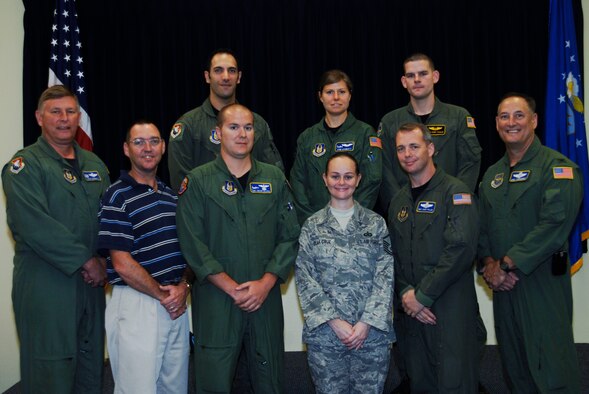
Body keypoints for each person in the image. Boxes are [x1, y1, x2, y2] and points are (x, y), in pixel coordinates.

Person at [176, 103, 300, 393]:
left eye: (248, 127)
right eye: (234, 127)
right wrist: (232, 288)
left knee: (269, 381)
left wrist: (266, 283)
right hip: (217, 301)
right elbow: (192, 243)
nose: (242, 134)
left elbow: (290, 236)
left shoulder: (274, 179)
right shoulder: (197, 182)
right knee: (214, 381)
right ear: (218, 133)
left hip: (264, 300)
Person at [2, 85, 110, 393]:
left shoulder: (95, 165)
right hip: (47, 287)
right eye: (55, 112)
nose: (64, 119)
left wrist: (107, 258)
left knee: (90, 371)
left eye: (70, 111)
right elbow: (32, 224)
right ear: (39, 117)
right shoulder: (25, 166)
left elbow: (109, 218)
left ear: (79, 116)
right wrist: (86, 260)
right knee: (51, 373)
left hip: (91, 287)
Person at [478, 93, 582, 392]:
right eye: (504, 116)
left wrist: (507, 265)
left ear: (534, 121)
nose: (511, 122)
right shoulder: (492, 175)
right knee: (515, 366)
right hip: (503, 288)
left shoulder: (558, 168)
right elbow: (482, 229)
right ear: (497, 123)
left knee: (551, 365)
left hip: (541, 284)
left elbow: (554, 226)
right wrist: (488, 265)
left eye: (519, 115)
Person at [97, 120, 194, 393]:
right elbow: (122, 263)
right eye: (139, 142)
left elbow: (186, 253)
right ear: (127, 149)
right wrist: (164, 296)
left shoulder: (171, 196)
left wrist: (183, 288)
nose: (147, 148)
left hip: (175, 304)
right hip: (138, 304)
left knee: (174, 388)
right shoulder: (116, 196)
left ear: (163, 147)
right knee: (137, 389)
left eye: (153, 141)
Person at [388, 123, 479, 392]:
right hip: (411, 313)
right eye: (401, 148)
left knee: (455, 381)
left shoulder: (456, 192)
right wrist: (405, 292)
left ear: (430, 148)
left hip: (449, 308)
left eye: (414, 146)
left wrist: (422, 296)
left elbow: (461, 249)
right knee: (420, 381)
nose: (407, 154)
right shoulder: (399, 201)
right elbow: (393, 254)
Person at [295, 152, 395, 393]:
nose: (342, 182)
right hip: (326, 336)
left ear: (359, 179)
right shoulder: (312, 226)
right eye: (335, 176)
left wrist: (365, 323)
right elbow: (304, 277)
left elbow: (386, 275)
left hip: (370, 337)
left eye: (348, 176)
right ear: (325, 179)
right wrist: (334, 321)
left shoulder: (376, 224)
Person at [168, 48, 284, 191]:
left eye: (232, 71)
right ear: (207, 76)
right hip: (207, 210)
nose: (226, 77)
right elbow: (182, 185)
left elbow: (275, 176)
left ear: (239, 77)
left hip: (253, 208)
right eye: (218, 70)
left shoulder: (257, 123)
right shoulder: (188, 125)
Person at [379, 53, 481, 208]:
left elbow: (470, 163)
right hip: (406, 210)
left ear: (435, 76)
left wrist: (456, 202)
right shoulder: (390, 122)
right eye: (411, 75)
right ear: (404, 82)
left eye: (423, 74)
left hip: (449, 208)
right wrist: (399, 204)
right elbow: (384, 169)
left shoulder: (458, 116)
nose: (417, 79)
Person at [290, 69, 382, 224]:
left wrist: (352, 218)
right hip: (316, 226)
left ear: (350, 95)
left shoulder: (366, 134)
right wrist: (313, 221)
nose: (336, 97)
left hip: (355, 224)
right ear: (320, 96)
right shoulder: (307, 138)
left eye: (342, 91)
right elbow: (297, 183)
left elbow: (372, 180)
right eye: (329, 92)